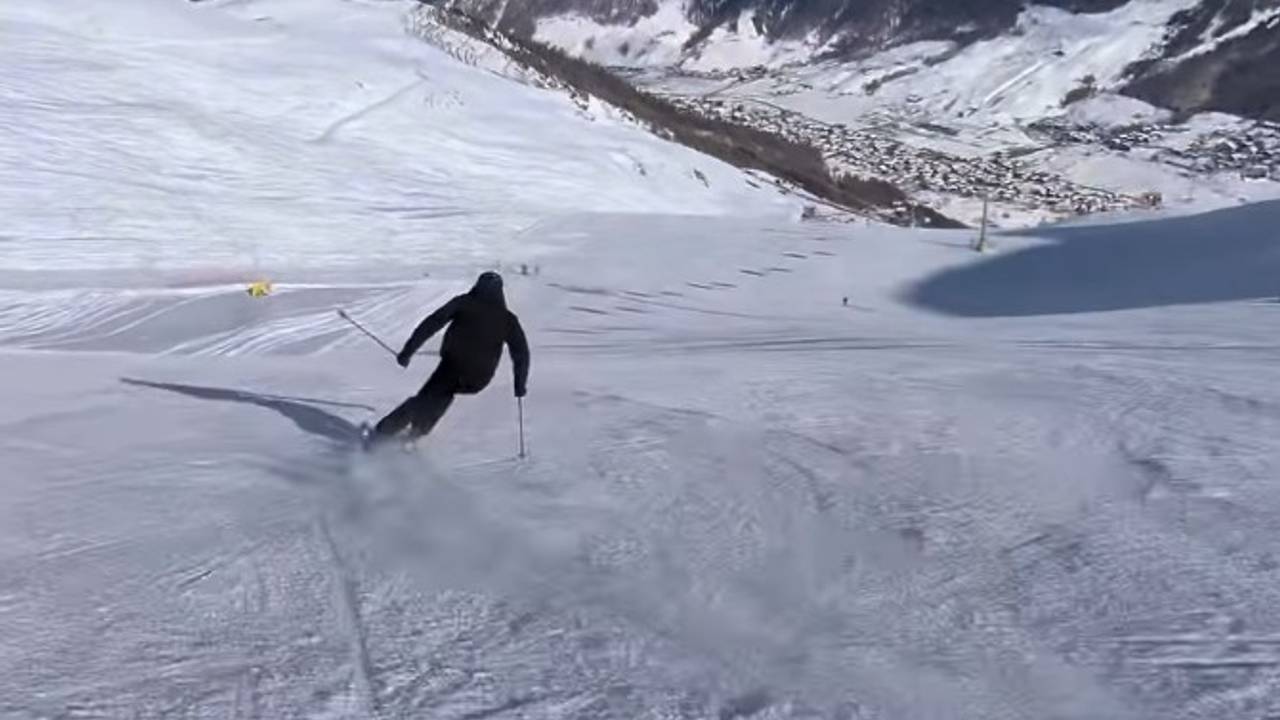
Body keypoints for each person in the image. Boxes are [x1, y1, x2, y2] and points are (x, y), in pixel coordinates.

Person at [364, 271, 529, 447]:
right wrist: (519, 385)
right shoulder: (508, 319)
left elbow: (432, 323)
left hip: (453, 367)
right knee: (441, 395)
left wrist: (408, 351)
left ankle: (383, 433)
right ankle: (416, 434)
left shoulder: (464, 302)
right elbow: (522, 353)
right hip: (480, 378)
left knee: (428, 397)